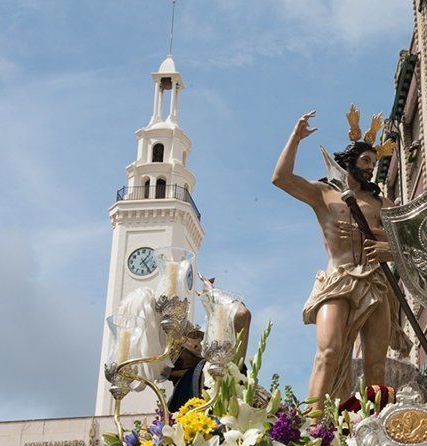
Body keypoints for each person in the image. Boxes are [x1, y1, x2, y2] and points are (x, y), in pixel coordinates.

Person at [271, 107, 409, 409]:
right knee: (329, 352)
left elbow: (407, 243)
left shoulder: (383, 203)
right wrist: (296, 137)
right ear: (348, 160)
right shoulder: (324, 194)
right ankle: (313, 426)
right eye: (365, 160)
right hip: (339, 278)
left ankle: (376, 429)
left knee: (376, 367)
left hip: (376, 285)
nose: (370, 168)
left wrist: (390, 251)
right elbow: (281, 178)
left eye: (374, 163)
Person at [166, 275, 252, 413]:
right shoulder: (207, 371)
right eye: (193, 335)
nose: (198, 340)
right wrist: (213, 296)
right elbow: (241, 315)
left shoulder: (185, 389)